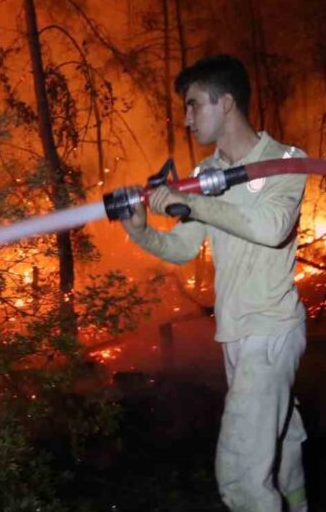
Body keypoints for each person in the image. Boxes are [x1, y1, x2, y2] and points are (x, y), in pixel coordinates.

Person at [121, 54, 308, 512]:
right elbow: (184, 248)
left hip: (269, 331)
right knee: (281, 446)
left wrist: (197, 204)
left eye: (193, 105)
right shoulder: (206, 173)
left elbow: (270, 228)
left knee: (242, 477)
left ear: (226, 103)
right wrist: (140, 229)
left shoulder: (285, 160)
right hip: (236, 334)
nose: (186, 119)